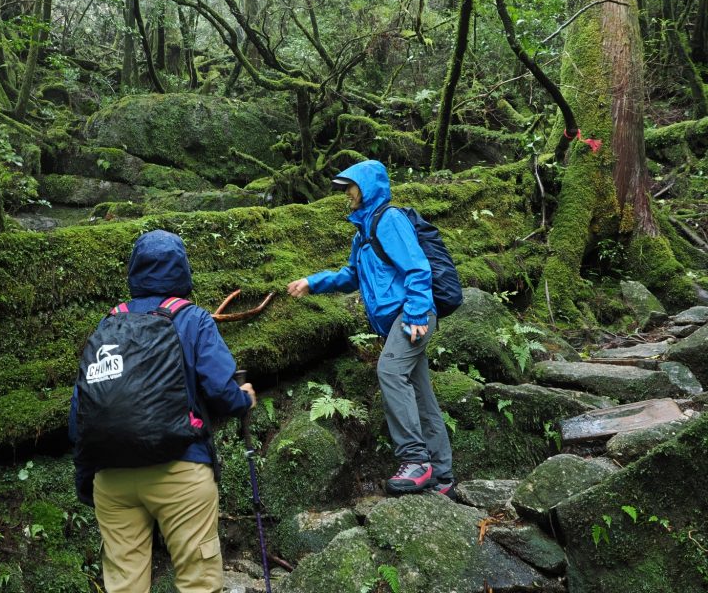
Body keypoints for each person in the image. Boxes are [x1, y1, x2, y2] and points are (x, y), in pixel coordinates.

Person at [69, 229, 256, 593]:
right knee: (197, 582)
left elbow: (80, 418)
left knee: (124, 585)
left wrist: (86, 479)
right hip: (180, 470)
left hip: (112, 478)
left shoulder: (108, 325)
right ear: (183, 271)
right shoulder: (192, 319)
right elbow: (221, 390)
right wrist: (244, 398)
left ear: (134, 270)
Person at [287, 160, 455, 496]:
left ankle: (416, 461)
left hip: (410, 315)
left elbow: (417, 268)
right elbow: (351, 276)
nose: (347, 193)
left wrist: (418, 313)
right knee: (420, 392)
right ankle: (442, 475)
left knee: (390, 371)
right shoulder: (363, 235)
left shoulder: (389, 220)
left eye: (350, 186)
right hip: (399, 318)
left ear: (366, 186)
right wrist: (312, 282)